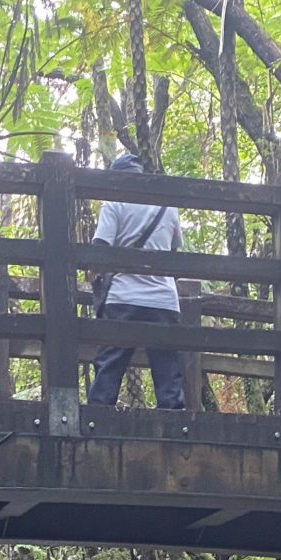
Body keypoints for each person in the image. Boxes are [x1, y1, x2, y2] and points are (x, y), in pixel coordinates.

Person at [86, 152, 186, 411]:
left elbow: (100, 250)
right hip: (164, 299)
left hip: (123, 296)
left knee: (110, 364)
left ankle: (97, 419)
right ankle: (175, 427)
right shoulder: (167, 206)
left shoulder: (114, 203)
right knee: (167, 370)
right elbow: (176, 250)